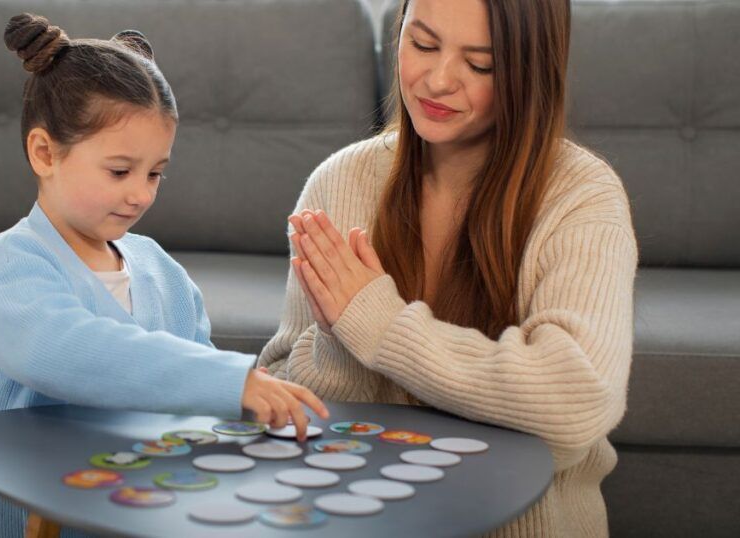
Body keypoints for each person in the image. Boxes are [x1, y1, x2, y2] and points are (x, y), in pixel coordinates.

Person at [258, 1, 638, 536]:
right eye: (424, 44)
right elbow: (275, 397)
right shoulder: (340, 182)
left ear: (530, 71)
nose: (437, 81)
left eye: (481, 64)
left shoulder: (580, 195)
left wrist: (376, 323)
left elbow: (576, 401)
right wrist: (337, 342)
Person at [0, 13, 329, 538]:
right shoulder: (12, 265)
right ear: (45, 153)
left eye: (155, 173)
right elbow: (74, 352)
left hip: (146, 514)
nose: (141, 193)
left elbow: (196, 384)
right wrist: (231, 380)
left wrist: (251, 407)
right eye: (120, 171)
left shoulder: (160, 269)